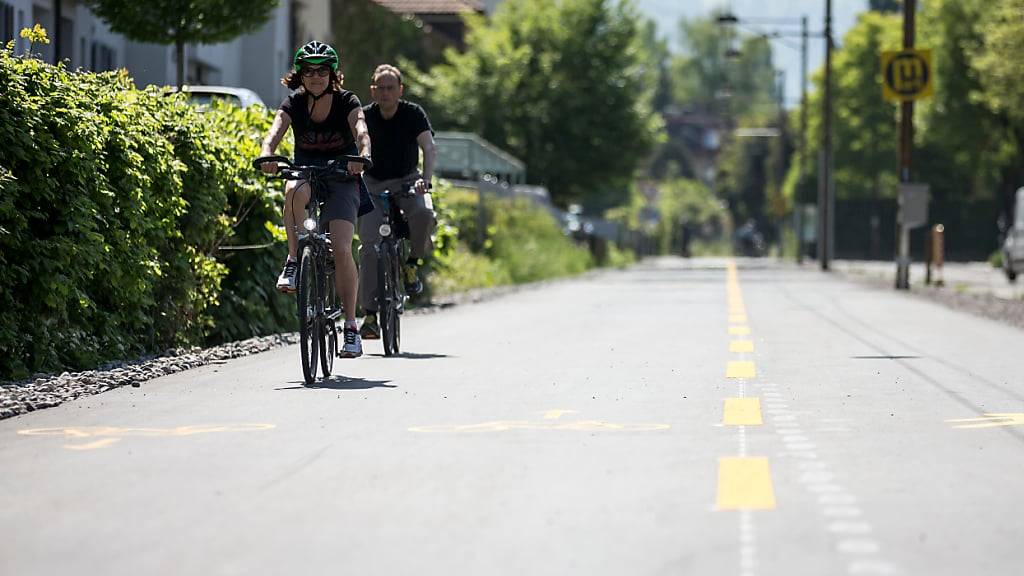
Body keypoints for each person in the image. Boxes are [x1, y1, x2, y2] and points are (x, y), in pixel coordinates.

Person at [260, 41, 371, 358]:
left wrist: (363, 155)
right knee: (294, 187)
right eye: (309, 71)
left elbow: (361, 130)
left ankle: (350, 327)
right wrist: (267, 154)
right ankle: (294, 260)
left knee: (341, 247)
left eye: (322, 71)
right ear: (300, 75)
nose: (316, 77)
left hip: (342, 176)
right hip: (307, 172)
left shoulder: (347, 100)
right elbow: (274, 131)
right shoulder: (294, 103)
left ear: (332, 74)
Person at [357, 64, 437, 340]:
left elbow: (428, 147)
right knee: (368, 245)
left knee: (424, 214)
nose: (386, 93)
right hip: (373, 183)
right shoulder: (364, 116)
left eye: (391, 88)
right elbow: (353, 145)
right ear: (373, 90)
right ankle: (369, 314)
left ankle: (412, 264)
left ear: (400, 90)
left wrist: (425, 180)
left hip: (407, 181)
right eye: (381, 88)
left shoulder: (413, 114)